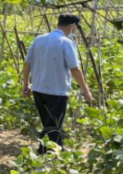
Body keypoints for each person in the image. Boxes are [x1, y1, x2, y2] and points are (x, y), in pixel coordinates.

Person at [22, 14, 95, 153]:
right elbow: (75, 69)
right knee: (53, 126)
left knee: (49, 123)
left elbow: (27, 63)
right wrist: (85, 90)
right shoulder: (65, 43)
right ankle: (43, 155)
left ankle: (59, 149)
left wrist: (26, 84)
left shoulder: (39, 39)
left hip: (38, 89)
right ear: (73, 26)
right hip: (56, 92)